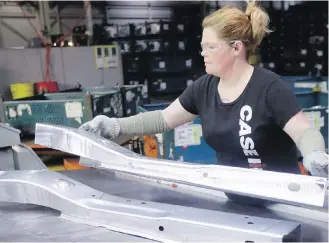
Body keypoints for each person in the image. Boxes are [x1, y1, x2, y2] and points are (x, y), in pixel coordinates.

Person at [80, 2, 328, 184]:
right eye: (202, 47)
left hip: (281, 198)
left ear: (236, 48)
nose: (203, 53)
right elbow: (162, 119)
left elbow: (304, 130)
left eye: (210, 47)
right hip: (233, 197)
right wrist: (113, 126)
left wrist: (314, 154)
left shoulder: (270, 88)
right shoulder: (204, 87)